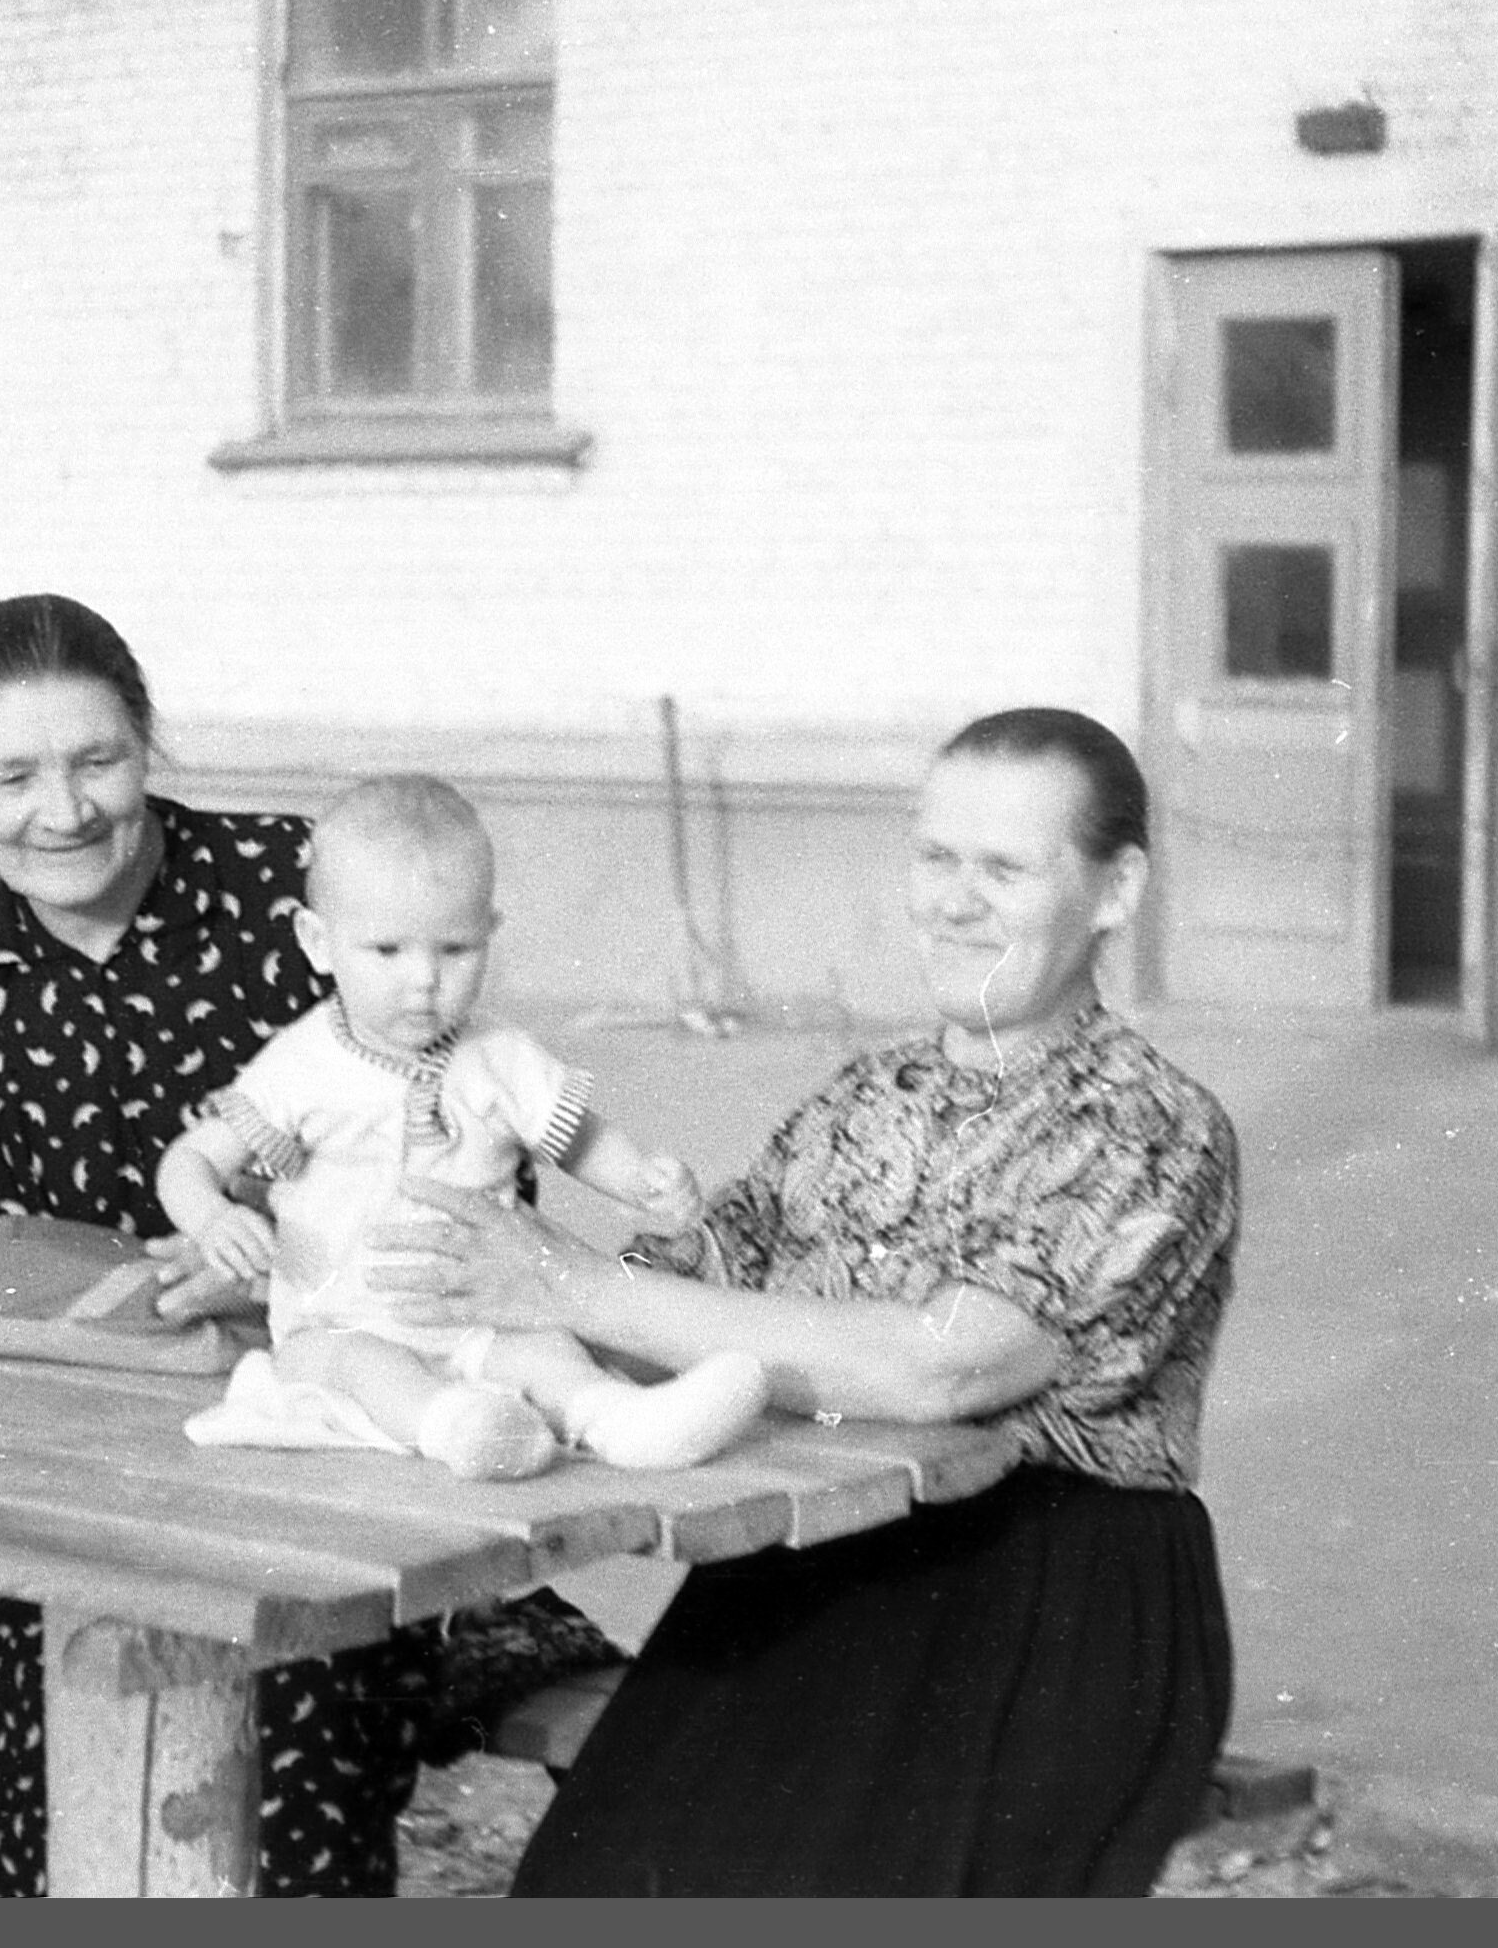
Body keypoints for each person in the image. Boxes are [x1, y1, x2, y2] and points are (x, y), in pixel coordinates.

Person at [0, 596, 607, 1896]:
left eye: (98, 760)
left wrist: (283, 1246)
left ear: (146, 747)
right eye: (12, 776)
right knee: (32, 1840)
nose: (62, 810)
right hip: (73, 1483)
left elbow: (477, 1150)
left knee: (272, 1828)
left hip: (327, 1446)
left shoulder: (292, 896)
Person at [373, 707, 1241, 1896]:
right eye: (935, 857)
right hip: (818, 1560)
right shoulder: (864, 1098)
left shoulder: (1146, 1123)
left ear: (1114, 889)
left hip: (1051, 1599)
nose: (953, 901)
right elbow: (676, 1291)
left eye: (1003, 868)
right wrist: (388, 1266)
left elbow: (942, 1367)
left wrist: (575, 1284)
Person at [159, 775, 768, 1481]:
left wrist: (640, 1179)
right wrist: (211, 1217)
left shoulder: (499, 1056)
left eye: (454, 950)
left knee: (549, 1353)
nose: (424, 978)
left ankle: (624, 1422)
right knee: (367, 1368)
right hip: (338, 1324)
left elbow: (579, 1139)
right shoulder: (302, 1065)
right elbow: (189, 1161)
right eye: (387, 950)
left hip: (481, 1316)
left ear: (489, 935)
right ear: (319, 942)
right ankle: (459, 1425)